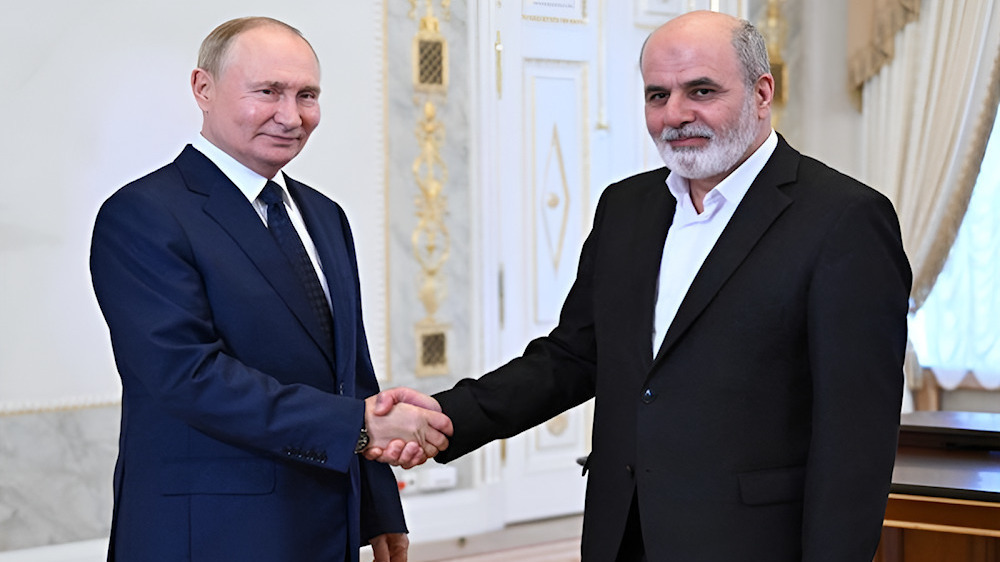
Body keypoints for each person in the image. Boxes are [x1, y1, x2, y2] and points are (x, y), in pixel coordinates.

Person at [369, 10, 912, 561]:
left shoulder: (845, 220)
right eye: (657, 95)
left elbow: (855, 442)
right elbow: (573, 357)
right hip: (622, 535)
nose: (675, 114)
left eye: (701, 90)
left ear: (761, 91)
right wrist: (446, 416)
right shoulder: (625, 206)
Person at [90, 17, 451, 562]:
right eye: (268, 92)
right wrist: (359, 426)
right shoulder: (142, 214)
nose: (291, 115)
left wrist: (378, 509)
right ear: (202, 89)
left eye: (307, 95)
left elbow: (350, 374)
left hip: (325, 526)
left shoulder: (325, 216)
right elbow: (187, 377)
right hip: (208, 534)